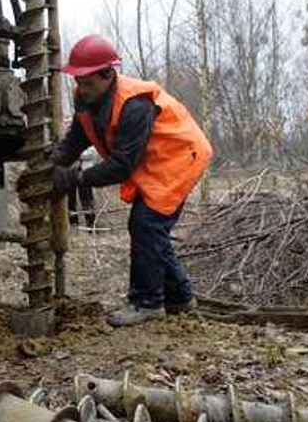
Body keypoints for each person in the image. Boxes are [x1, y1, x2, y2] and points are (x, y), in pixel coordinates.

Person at [50, 35, 213, 327]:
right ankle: (180, 298)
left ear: (108, 74)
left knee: (146, 224)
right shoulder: (85, 98)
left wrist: (76, 178)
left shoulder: (134, 105)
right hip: (152, 160)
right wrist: (54, 164)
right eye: (78, 81)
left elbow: (122, 166)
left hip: (179, 157)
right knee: (150, 228)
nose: (81, 89)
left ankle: (147, 302)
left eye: (88, 82)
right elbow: (77, 137)